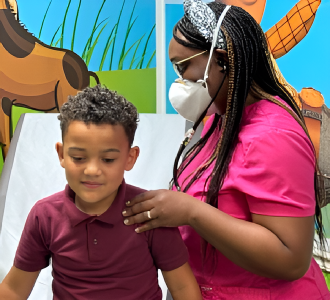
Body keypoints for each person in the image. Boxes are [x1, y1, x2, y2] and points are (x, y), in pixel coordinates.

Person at [121, 1, 330, 299]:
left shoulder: (273, 135)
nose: (179, 81)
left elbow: (291, 258)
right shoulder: (219, 119)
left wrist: (192, 212)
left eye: (184, 67)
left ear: (221, 60)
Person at [0, 85, 202, 300]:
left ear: (130, 158)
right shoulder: (44, 216)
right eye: (78, 157)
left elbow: (183, 289)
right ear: (61, 154)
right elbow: (14, 289)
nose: (92, 171)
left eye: (107, 159)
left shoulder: (150, 212)